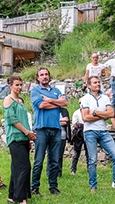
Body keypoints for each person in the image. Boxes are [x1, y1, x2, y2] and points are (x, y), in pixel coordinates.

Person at [80, 76, 115, 193]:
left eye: (98, 82)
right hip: (90, 132)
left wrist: (95, 112)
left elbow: (111, 114)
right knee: (92, 160)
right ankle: (93, 187)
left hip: (103, 131)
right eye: (95, 83)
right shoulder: (85, 99)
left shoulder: (105, 98)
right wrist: (103, 114)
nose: (98, 84)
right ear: (89, 85)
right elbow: (85, 117)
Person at [30, 67, 69, 196]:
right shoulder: (35, 90)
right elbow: (41, 105)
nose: (44, 76)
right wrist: (57, 103)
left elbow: (65, 102)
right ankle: (35, 187)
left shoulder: (56, 90)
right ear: (38, 78)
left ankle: (53, 187)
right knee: (39, 160)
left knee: (54, 160)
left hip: (56, 128)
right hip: (41, 129)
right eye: (41, 75)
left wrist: (50, 100)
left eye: (46, 74)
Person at [4, 75, 35, 204]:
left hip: (23, 137)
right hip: (15, 137)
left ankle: (12, 196)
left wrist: (29, 133)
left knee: (16, 167)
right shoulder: (8, 100)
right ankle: (21, 198)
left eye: (21, 85)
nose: (19, 87)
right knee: (24, 167)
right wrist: (27, 132)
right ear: (10, 86)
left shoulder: (20, 101)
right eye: (16, 85)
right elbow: (13, 120)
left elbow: (24, 119)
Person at [55, 107, 71, 178]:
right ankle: (51, 172)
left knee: (60, 156)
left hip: (62, 136)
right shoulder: (51, 110)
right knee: (52, 155)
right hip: (53, 136)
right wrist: (61, 121)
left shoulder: (64, 111)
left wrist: (56, 121)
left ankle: (59, 173)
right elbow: (50, 122)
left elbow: (66, 122)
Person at [70, 108, 84, 175]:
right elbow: (74, 124)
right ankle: (73, 170)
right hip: (78, 133)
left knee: (89, 153)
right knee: (76, 152)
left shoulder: (89, 110)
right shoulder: (76, 112)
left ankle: (90, 170)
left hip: (87, 132)